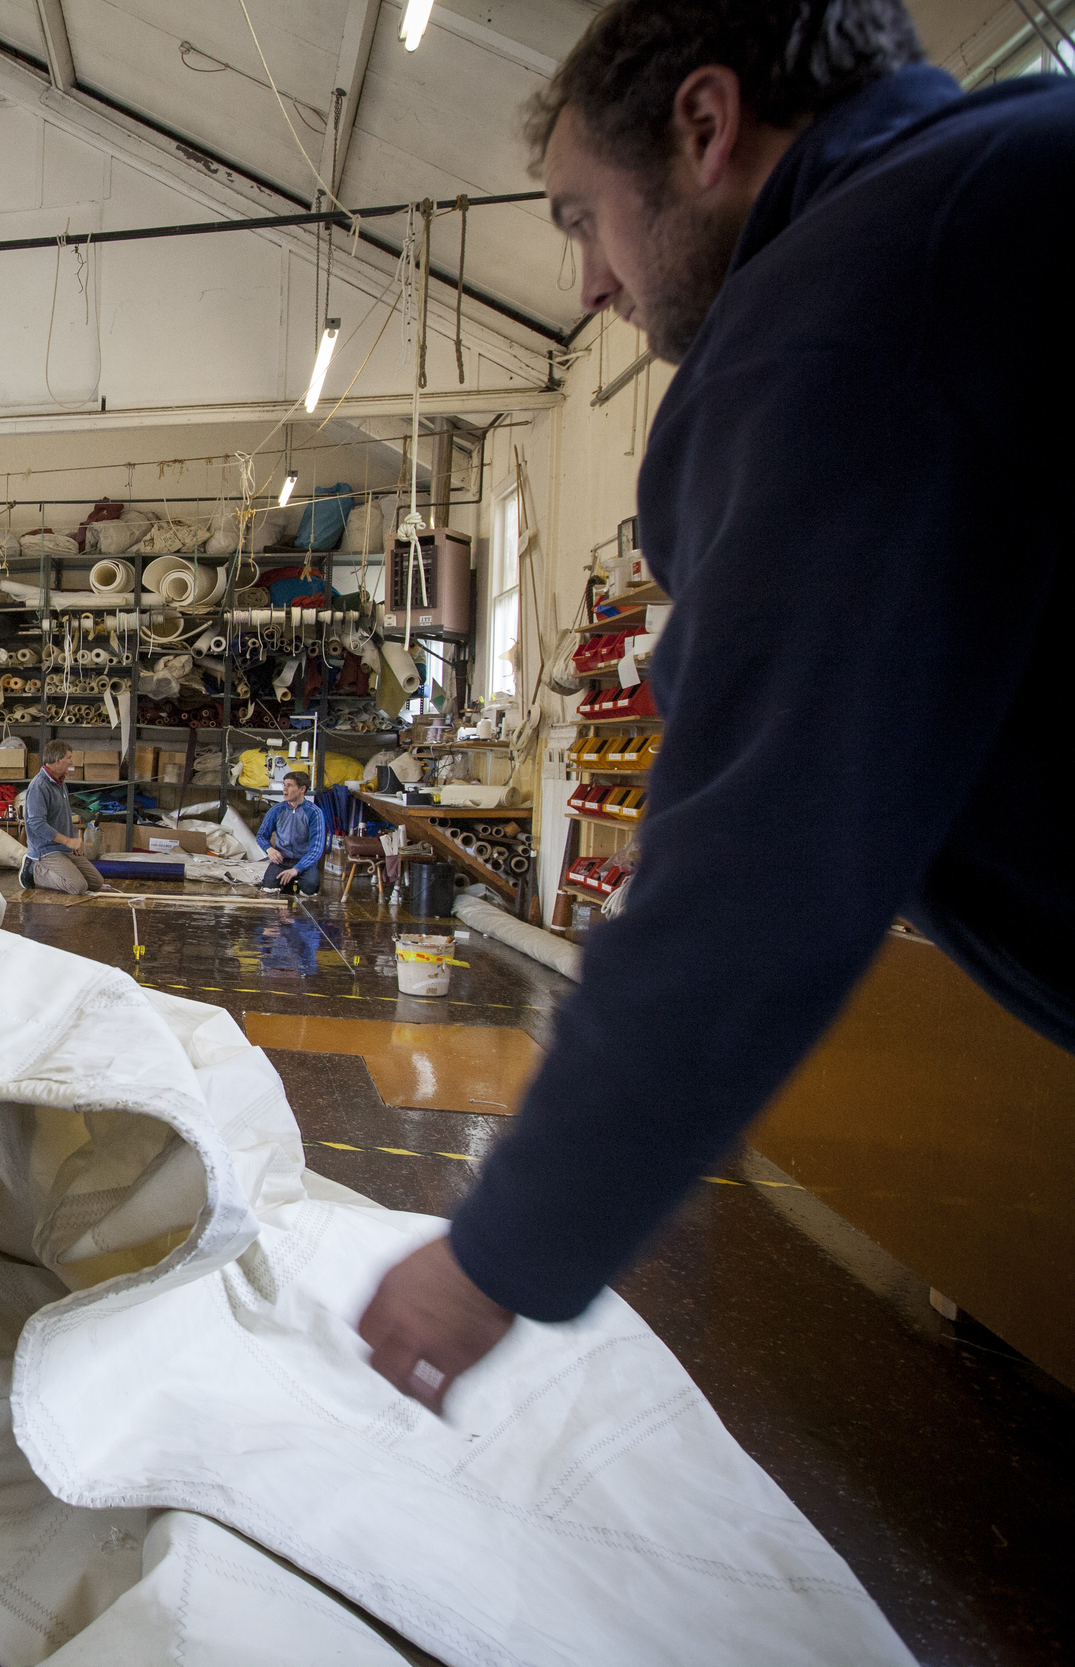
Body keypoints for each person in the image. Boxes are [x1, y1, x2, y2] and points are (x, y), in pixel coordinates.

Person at [357, 0, 1075, 1414]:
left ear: (705, 126)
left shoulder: (854, 303)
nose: (589, 285)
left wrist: (500, 1250)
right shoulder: (1002, 180)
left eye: (581, 219)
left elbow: (755, 867)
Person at [22, 739, 105, 895]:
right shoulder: (39, 786)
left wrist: (73, 840)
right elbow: (36, 823)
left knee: (96, 882)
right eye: (69, 758)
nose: (71, 761)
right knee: (78, 886)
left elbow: (62, 817)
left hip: (64, 847)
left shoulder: (60, 783)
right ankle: (34, 871)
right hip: (45, 849)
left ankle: (59, 869)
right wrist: (68, 841)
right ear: (57, 760)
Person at [255, 772, 326, 896]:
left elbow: (316, 849)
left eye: (290, 785)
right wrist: (269, 849)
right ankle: (287, 883)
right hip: (281, 861)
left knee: (310, 888)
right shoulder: (276, 810)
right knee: (268, 889)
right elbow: (261, 835)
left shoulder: (314, 813)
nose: (285, 789)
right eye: (284, 785)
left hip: (305, 862)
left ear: (302, 789)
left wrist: (296, 869)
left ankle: (295, 881)